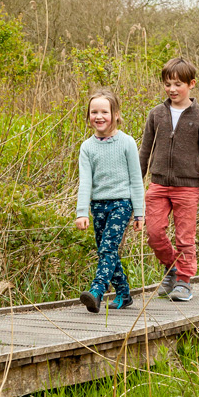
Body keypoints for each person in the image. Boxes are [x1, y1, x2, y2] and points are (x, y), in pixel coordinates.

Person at [139, 57, 199, 302]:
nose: (172, 89)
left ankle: (183, 281)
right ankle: (172, 266)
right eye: (167, 84)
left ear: (191, 84)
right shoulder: (156, 114)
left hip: (188, 185)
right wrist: (134, 183)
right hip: (158, 183)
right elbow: (144, 150)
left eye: (178, 84)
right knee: (153, 233)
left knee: (185, 236)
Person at [74, 89, 146, 312]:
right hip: (98, 206)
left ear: (115, 114)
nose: (99, 116)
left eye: (104, 111)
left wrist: (139, 213)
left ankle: (97, 291)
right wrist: (82, 212)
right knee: (107, 251)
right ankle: (124, 294)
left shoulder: (126, 142)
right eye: (94, 112)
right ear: (88, 116)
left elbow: (136, 179)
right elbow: (85, 182)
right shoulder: (87, 147)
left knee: (107, 248)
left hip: (121, 204)